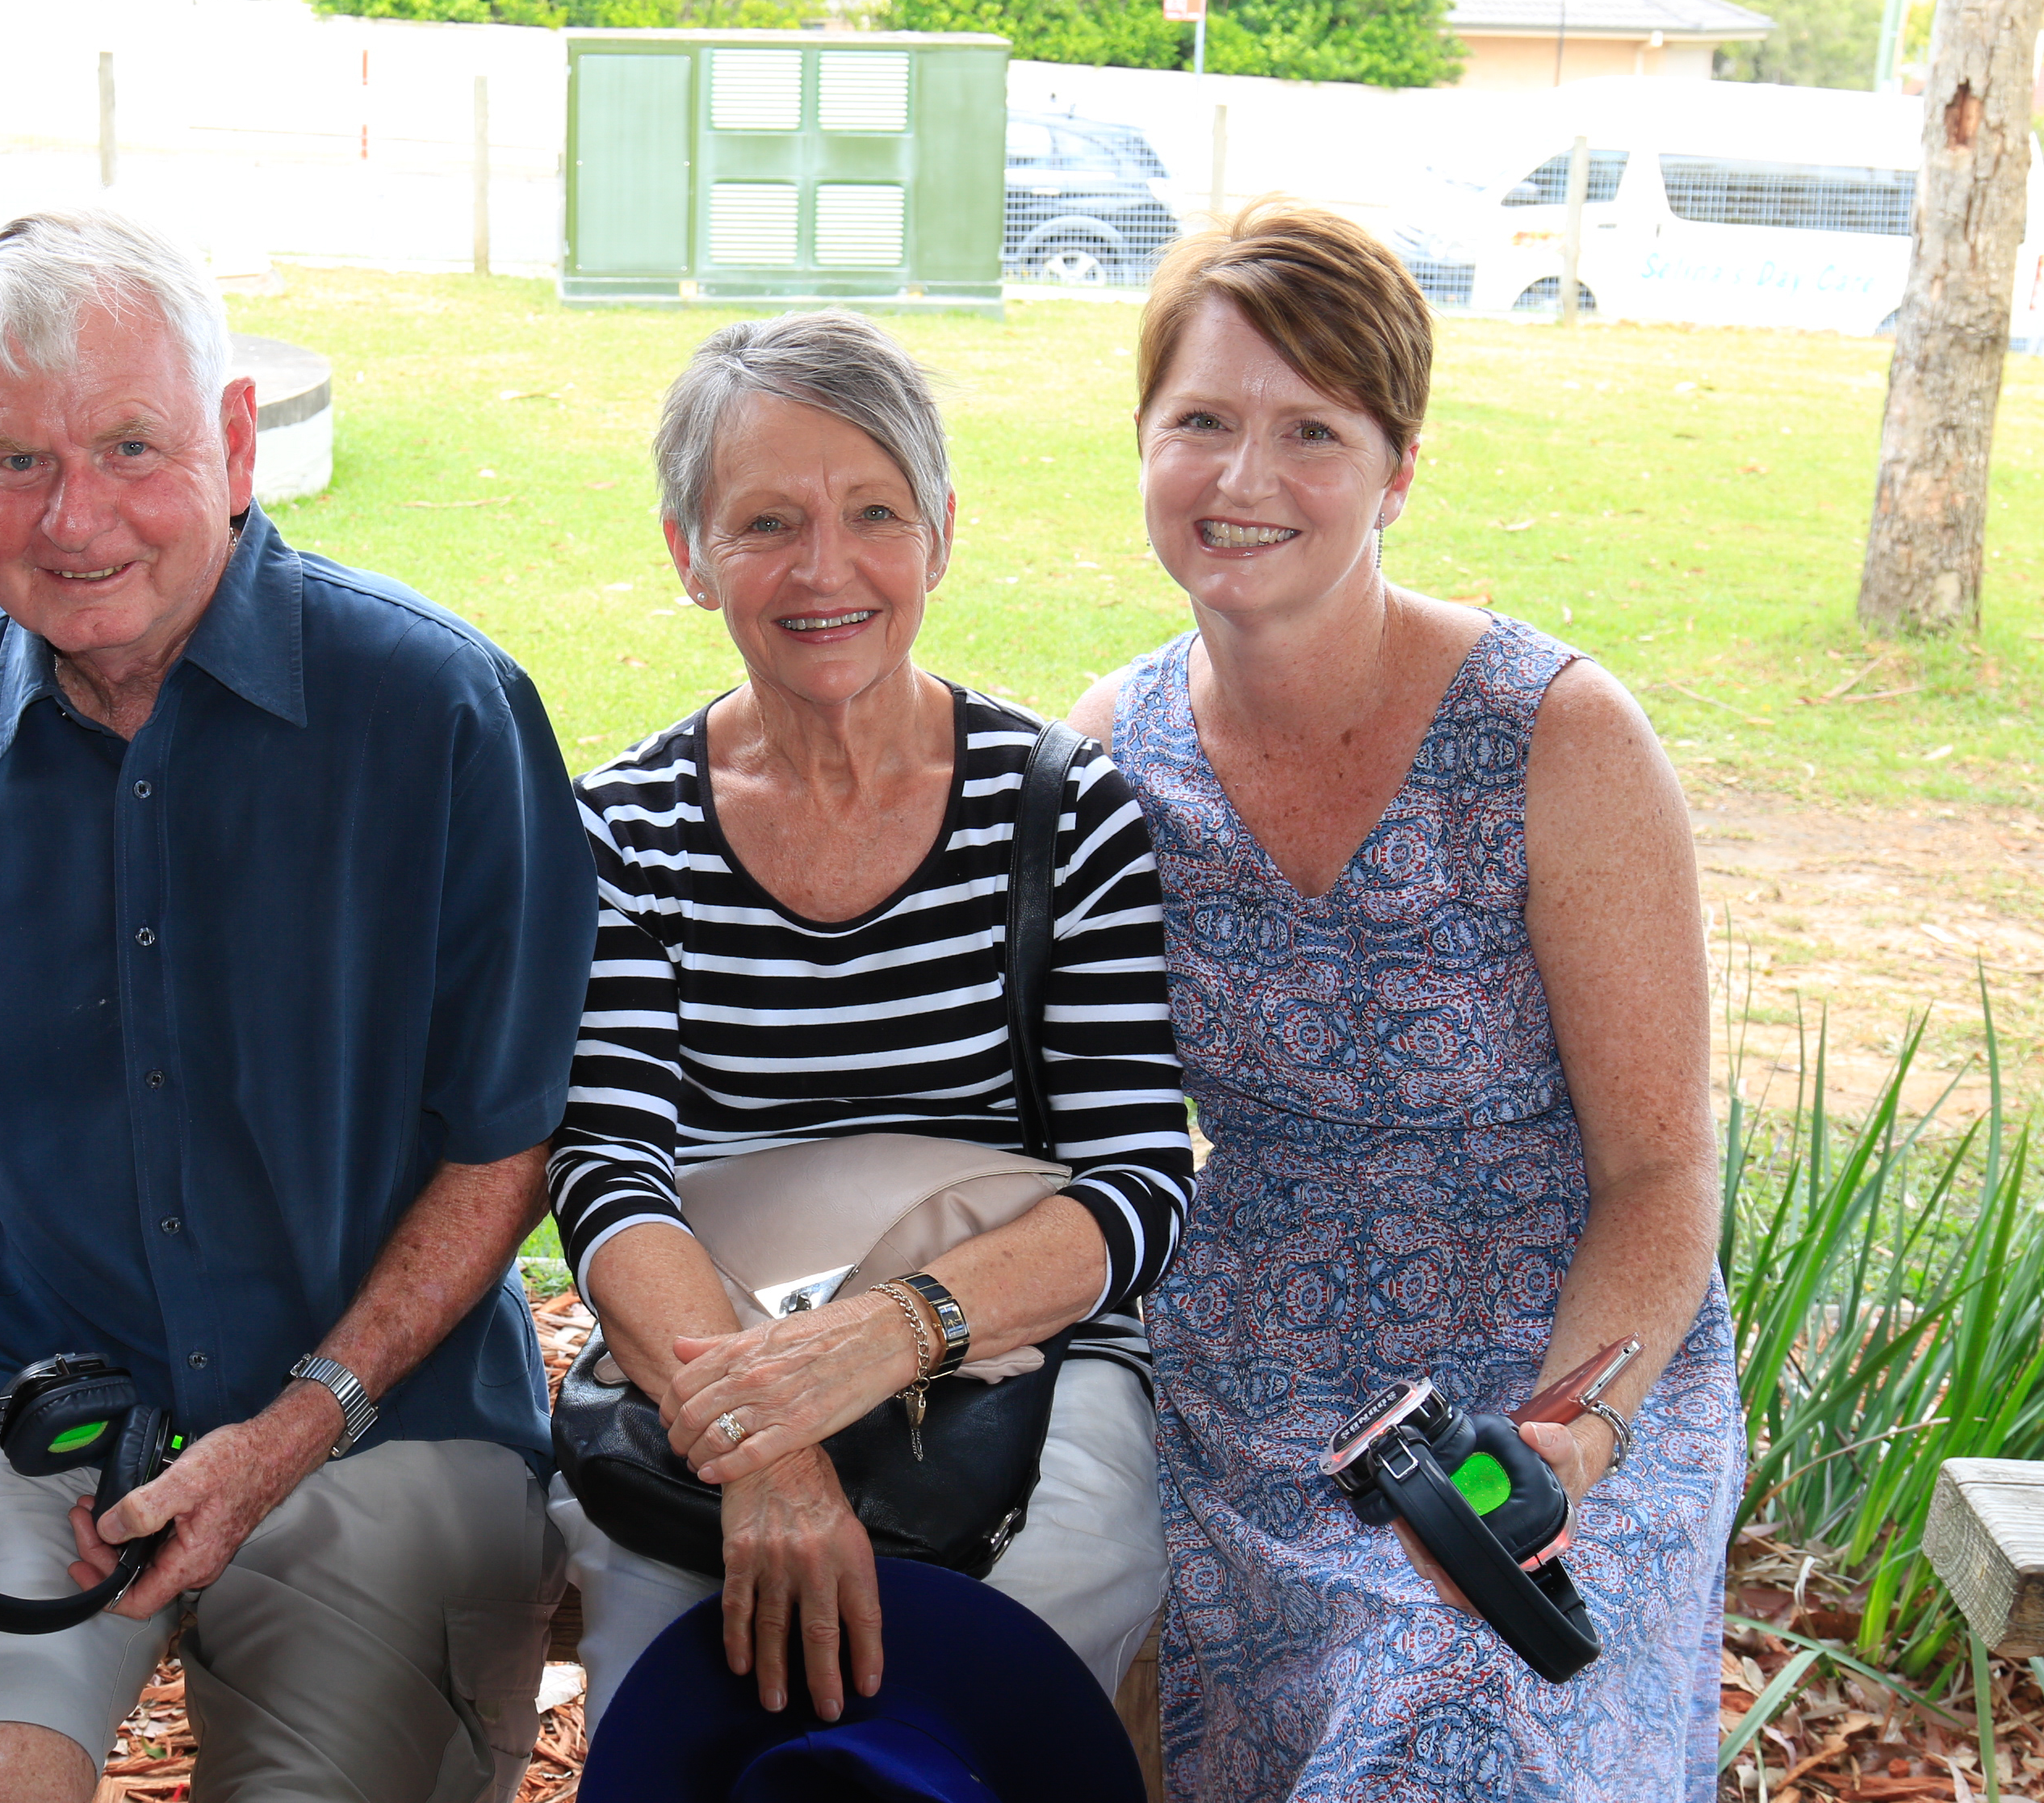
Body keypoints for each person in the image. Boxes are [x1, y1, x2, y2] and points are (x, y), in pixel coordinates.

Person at [0, 208, 597, 1803]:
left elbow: (508, 1141)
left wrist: (301, 1418)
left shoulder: (439, 710)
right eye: (16, 460)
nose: (75, 515)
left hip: (384, 1420)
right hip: (32, 1411)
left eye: (128, 444)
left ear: (237, 442)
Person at [1063, 203, 1743, 1801]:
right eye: (1202, 423)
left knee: (1462, 1723)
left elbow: (1660, 1175)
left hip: (1555, 1359)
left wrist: (1568, 1437)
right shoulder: (1111, 747)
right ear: (1143, 442)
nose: (1243, 481)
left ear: (1400, 463)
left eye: (1311, 429)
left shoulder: (1557, 734)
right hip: (1244, 1374)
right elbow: (1066, 1129)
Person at [546, 310, 1194, 1729]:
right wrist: (769, 1447)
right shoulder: (625, 833)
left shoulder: (1058, 810)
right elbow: (603, 1173)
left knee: (1028, 1621)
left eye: (874, 512)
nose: (823, 568)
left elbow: (1141, 1185)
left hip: (1018, 1332)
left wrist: (896, 1334)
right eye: (766, 521)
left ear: (942, 533)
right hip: (713, 1337)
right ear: (688, 554)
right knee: (671, 1640)